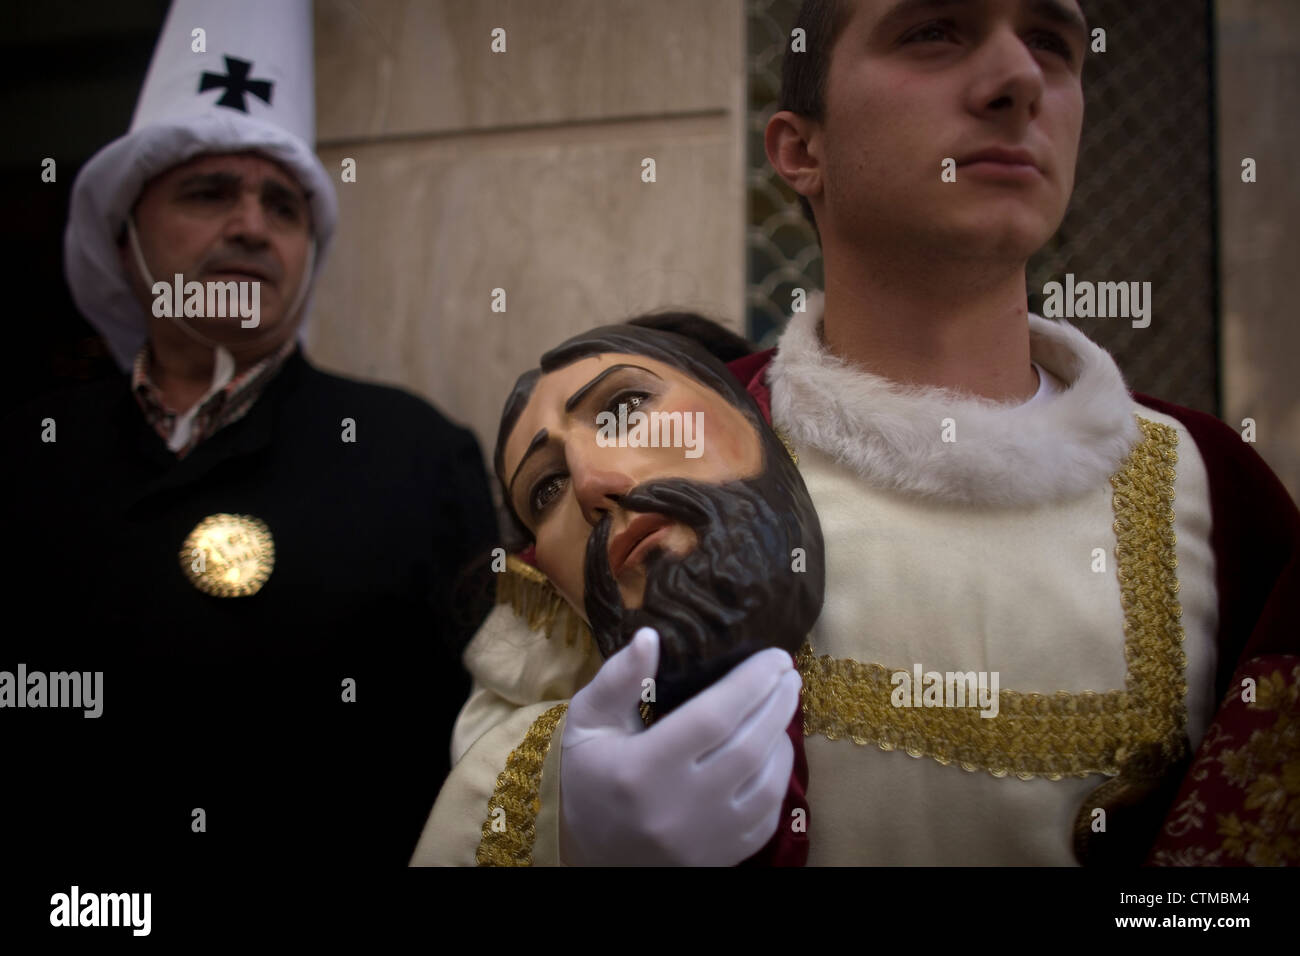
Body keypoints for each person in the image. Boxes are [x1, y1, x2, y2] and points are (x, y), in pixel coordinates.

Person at [418, 0, 1298, 868]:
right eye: (933, 31)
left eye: (1051, 43)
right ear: (801, 150)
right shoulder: (671, 464)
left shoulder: (1219, 494)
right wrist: (566, 827)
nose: (1019, 80)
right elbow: (493, 770)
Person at [2, 0, 495, 868]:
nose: (252, 227)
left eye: (284, 206)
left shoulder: (418, 458)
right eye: (208, 192)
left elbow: (479, 741)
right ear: (126, 243)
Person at [412, 322, 824, 865]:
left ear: (749, 410)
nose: (588, 483)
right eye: (547, 488)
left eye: (626, 408)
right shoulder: (507, 775)